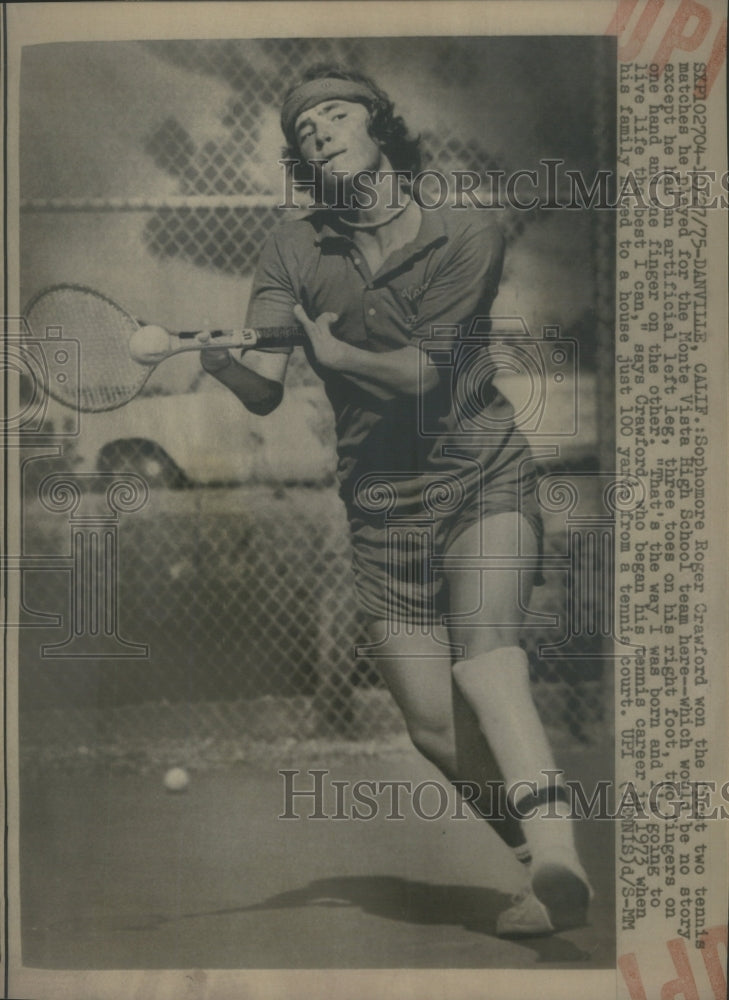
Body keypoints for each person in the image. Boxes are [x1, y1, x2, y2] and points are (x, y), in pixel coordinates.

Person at [199, 65, 593, 936]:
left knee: (484, 655)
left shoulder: (466, 231)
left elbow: (426, 374)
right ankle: (542, 870)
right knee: (430, 728)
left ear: (379, 126)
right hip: (381, 513)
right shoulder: (289, 248)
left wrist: (335, 359)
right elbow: (264, 384)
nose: (321, 133)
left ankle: (562, 850)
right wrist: (210, 358)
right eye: (303, 130)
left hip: (481, 474)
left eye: (336, 115)